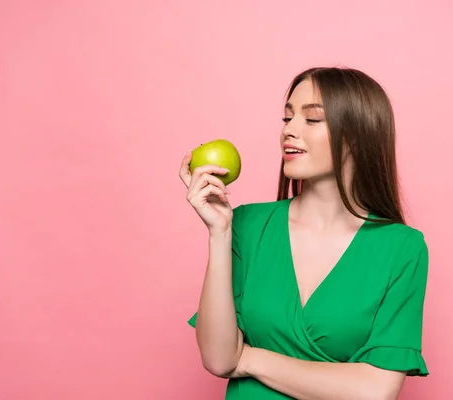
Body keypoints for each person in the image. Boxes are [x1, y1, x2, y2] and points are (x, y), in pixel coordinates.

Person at [178, 66, 430, 400]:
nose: (289, 131)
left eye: (312, 120)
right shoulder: (246, 226)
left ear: (358, 135)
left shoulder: (402, 248)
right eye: (287, 119)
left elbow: (374, 392)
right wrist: (219, 233)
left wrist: (251, 358)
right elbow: (219, 358)